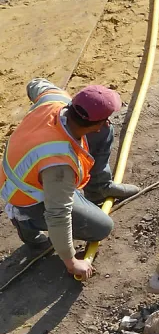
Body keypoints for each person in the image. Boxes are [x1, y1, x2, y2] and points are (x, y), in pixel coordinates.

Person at [1, 79, 140, 281]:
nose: (107, 122)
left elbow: (35, 84)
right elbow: (58, 214)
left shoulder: (55, 99)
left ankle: (99, 188)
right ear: (95, 122)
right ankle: (25, 222)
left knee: (105, 132)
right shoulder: (59, 165)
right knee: (101, 228)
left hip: (34, 172)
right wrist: (72, 261)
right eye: (105, 119)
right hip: (27, 197)